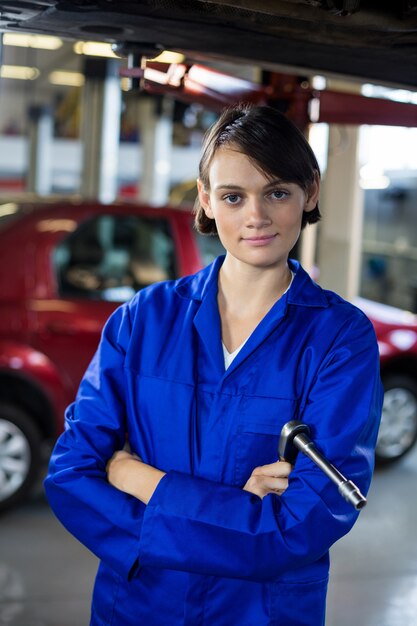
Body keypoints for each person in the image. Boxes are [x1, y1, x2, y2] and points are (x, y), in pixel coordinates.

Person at [44, 104, 383, 626]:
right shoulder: (143, 321)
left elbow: (306, 522)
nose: (255, 217)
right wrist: (238, 514)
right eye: (232, 196)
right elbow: (71, 474)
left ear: (309, 192)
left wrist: (139, 478)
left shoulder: (340, 338)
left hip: (262, 612)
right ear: (205, 198)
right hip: (138, 605)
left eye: (276, 192)